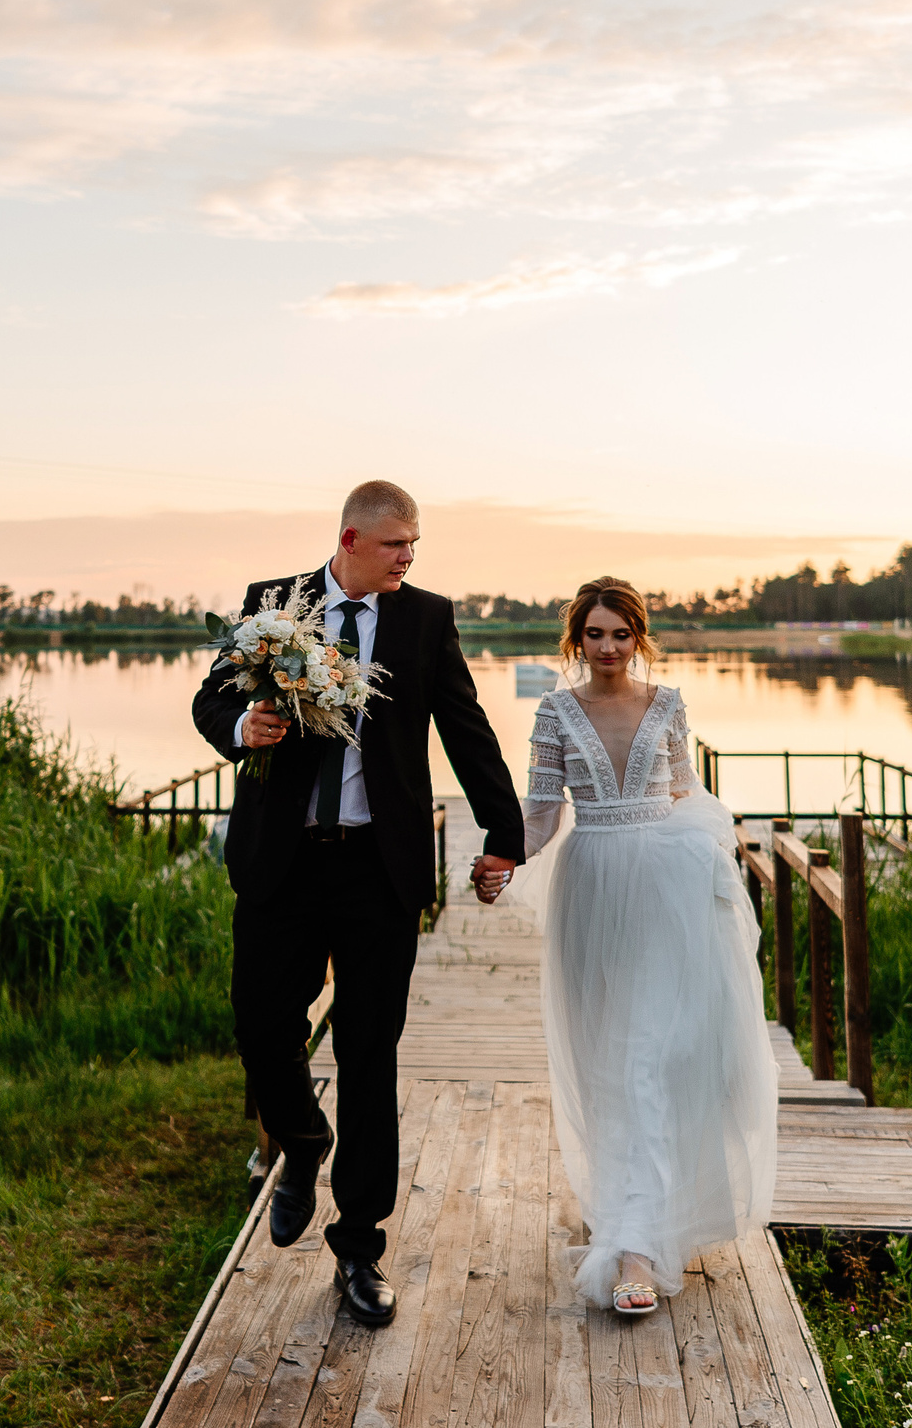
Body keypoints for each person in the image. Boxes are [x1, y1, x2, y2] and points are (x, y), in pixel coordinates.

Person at [192, 479, 525, 1329]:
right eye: (397, 545)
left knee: (371, 1055)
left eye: (414, 547)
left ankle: (360, 1249)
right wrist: (244, 727)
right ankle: (301, 1141)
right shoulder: (275, 605)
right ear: (351, 538)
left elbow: (466, 725)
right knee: (261, 1022)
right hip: (282, 866)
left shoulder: (425, 618)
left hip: (379, 871)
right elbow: (211, 698)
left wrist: (503, 827)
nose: (409, 558)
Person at [485, 576, 776, 1316]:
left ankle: (638, 1246)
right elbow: (543, 814)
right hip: (593, 888)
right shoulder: (555, 711)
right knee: (610, 1060)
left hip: (665, 889)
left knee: (656, 1054)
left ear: (638, 635)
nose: (608, 647)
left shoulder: (669, 704)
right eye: (594, 634)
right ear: (576, 641)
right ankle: (629, 1214)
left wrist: (711, 865)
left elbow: (683, 791)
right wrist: (503, 859)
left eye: (620, 633)